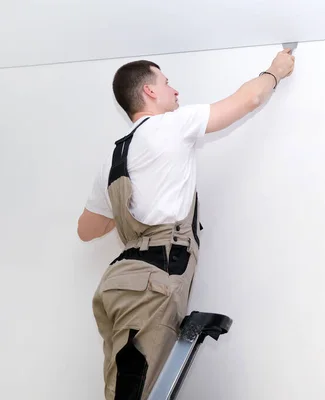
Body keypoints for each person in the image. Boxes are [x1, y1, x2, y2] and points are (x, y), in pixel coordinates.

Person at [77, 48, 295, 399]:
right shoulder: (169, 126)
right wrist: (274, 71)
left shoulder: (115, 156)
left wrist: (131, 211)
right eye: (166, 82)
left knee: (125, 388)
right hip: (153, 279)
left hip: (118, 284)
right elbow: (251, 98)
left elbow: (87, 229)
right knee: (136, 392)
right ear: (149, 91)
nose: (175, 90)